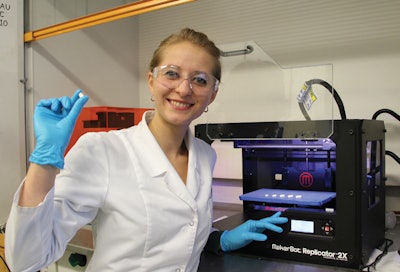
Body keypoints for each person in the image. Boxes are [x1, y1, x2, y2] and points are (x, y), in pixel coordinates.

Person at [5, 28, 287, 272]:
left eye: (200, 80)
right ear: (151, 80)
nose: (184, 89)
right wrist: (44, 161)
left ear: (212, 93)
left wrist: (218, 239)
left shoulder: (204, 154)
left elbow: (178, 228)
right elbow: (26, 261)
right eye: (172, 74)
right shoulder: (103, 150)